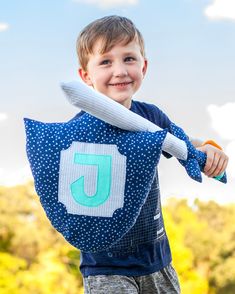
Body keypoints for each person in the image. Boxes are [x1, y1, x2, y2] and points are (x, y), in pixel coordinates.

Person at [72, 15, 228, 294]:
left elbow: (180, 142)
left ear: (143, 66)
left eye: (129, 59)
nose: (119, 70)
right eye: (106, 61)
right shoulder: (79, 130)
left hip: (157, 261)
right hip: (106, 268)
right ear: (86, 75)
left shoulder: (150, 115)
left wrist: (207, 149)